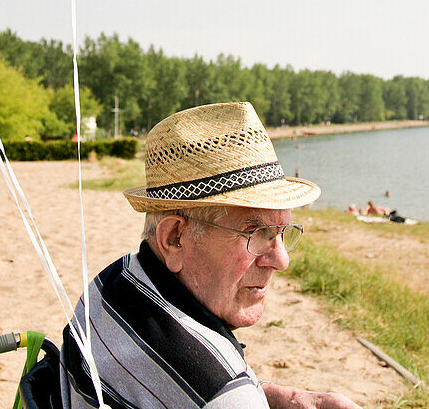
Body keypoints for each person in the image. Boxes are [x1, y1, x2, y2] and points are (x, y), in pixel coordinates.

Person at [56, 102, 359, 408]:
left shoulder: (111, 282)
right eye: (257, 234)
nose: (281, 260)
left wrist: (273, 396)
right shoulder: (218, 390)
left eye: (282, 234)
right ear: (174, 238)